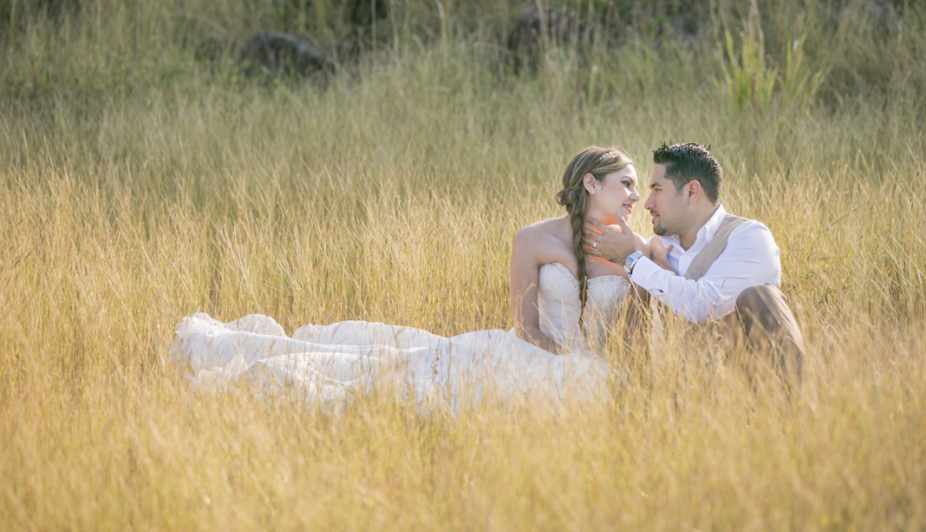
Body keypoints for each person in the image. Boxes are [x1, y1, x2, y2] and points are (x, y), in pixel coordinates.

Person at [169, 147, 648, 408]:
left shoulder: (637, 250)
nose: (634, 194)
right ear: (590, 183)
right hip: (525, 353)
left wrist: (640, 258)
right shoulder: (533, 239)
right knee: (388, 371)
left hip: (590, 372)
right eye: (625, 182)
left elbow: (637, 334)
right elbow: (525, 326)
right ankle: (239, 353)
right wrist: (569, 361)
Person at [584, 142, 805, 383]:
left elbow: (702, 304)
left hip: (749, 388)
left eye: (657, 190)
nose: (647, 203)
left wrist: (632, 260)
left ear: (691, 192)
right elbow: (634, 337)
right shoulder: (653, 250)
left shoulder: (749, 236)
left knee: (761, 296)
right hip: (682, 394)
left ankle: (792, 408)